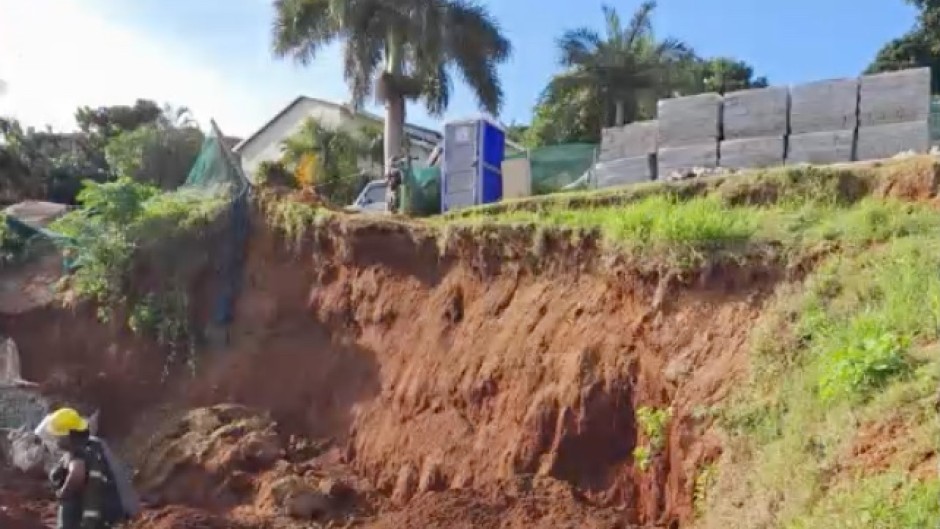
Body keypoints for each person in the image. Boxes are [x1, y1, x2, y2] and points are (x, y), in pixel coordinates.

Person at [39, 408, 131, 529]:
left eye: (57, 436)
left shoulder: (79, 452)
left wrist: (63, 493)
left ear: (67, 436)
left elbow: (76, 475)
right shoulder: (95, 446)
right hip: (109, 517)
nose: (55, 440)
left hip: (94, 518)